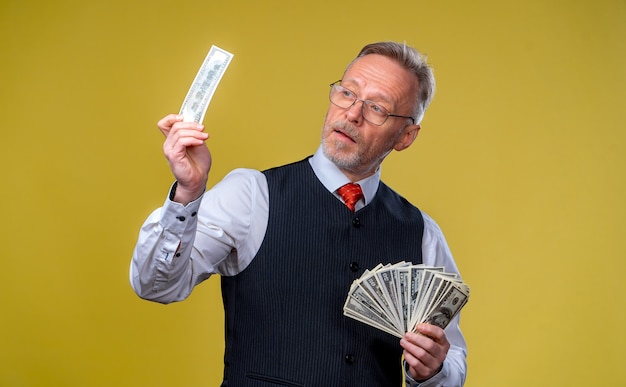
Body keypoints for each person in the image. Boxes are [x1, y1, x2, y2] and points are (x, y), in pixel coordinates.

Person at [130, 41, 467, 386]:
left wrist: (433, 370)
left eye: (377, 108)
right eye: (347, 93)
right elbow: (156, 286)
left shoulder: (421, 232)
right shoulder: (251, 195)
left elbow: (451, 356)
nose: (352, 114)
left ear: (406, 136)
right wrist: (187, 194)